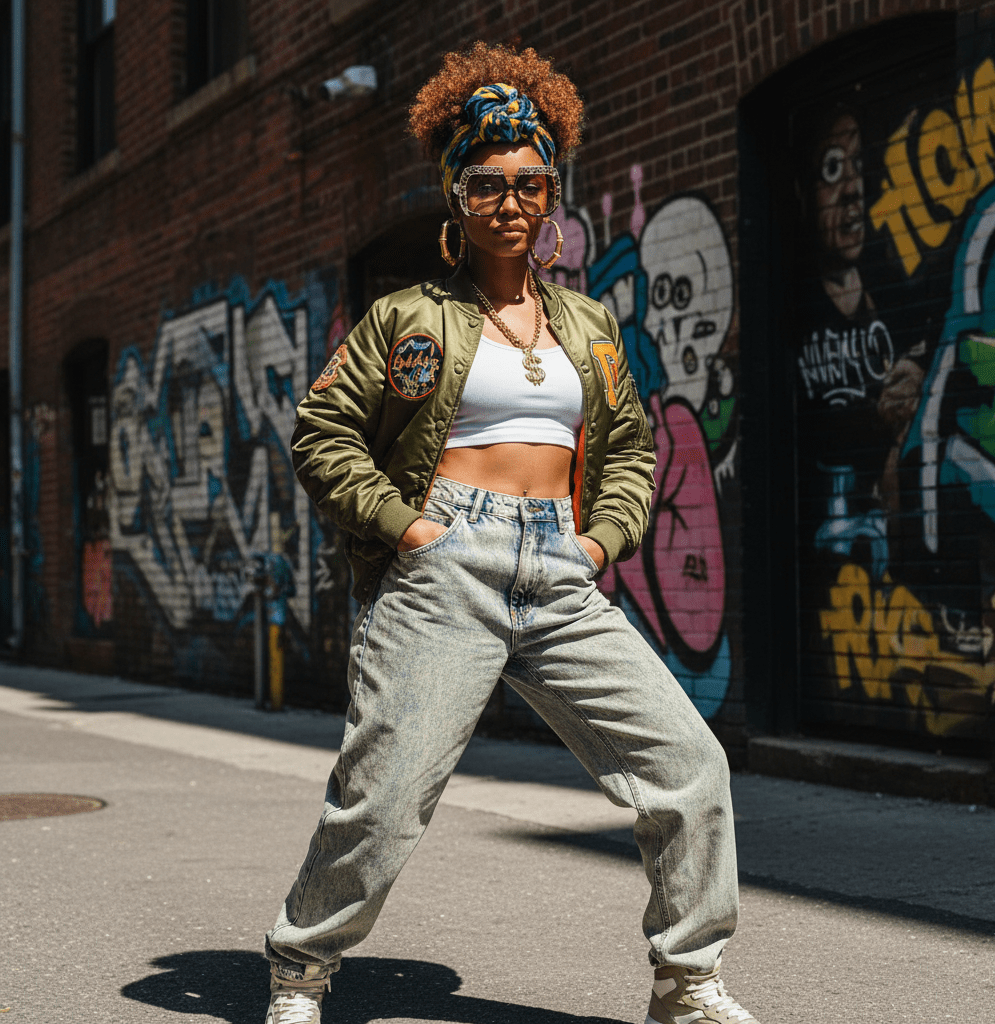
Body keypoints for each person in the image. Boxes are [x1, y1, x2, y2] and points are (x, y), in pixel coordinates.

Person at [262, 42, 759, 1024]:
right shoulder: (409, 316)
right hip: (446, 567)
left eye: (529, 181)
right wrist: (405, 526)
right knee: (386, 797)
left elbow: (627, 453)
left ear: (551, 194)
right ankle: (300, 968)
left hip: (560, 569)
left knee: (690, 766)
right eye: (485, 182)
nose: (509, 199)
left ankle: (687, 979)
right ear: (455, 195)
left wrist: (598, 542)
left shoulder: (587, 326)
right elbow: (321, 431)